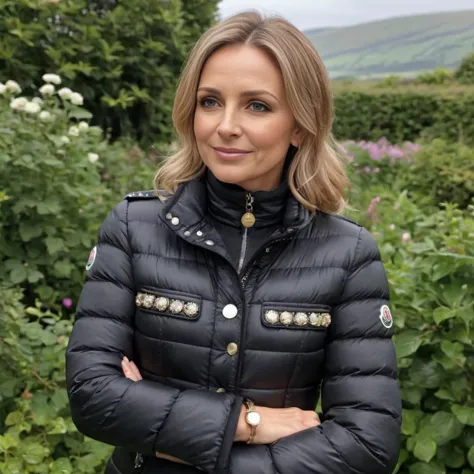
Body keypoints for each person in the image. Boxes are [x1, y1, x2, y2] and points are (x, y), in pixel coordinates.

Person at [66, 10, 401, 474]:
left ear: (301, 125)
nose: (225, 125)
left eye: (257, 105)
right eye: (209, 101)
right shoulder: (133, 226)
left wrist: (171, 437)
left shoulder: (347, 253)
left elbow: (368, 443)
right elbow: (92, 394)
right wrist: (248, 424)